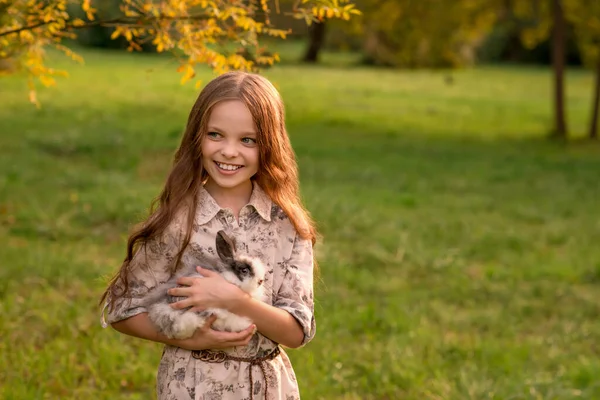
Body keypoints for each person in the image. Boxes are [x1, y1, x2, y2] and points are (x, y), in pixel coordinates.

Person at [99, 71, 318, 400]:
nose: (229, 151)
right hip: (191, 386)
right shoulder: (177, 220)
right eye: (216, 135)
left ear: (270, 145)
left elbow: (298, 331)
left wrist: (235, 301)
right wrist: (189, 340)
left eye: (248, 140)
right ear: (196, 138)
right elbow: (120, 309)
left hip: (265, 388)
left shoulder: (287, 224)